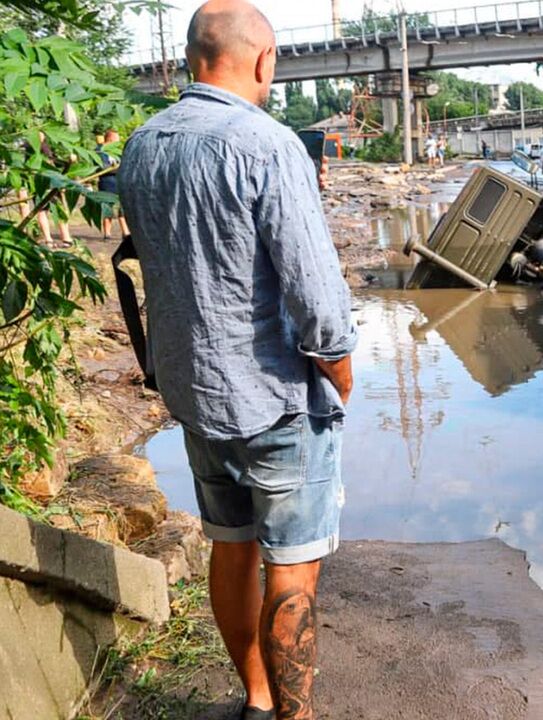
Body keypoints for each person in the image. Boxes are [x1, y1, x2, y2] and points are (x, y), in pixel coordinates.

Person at [118, 2, 356, 719]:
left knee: (232, 545)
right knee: (292, 563)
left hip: (195, 396)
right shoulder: (269, 144)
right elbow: (317, 297)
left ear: (193, 59)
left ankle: (257, 697)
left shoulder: (143, 144)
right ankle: (295, 715)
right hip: (276, 399)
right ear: (263, 60)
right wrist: (341, 373)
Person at [97, 129, 129, 239]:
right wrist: (116, 168)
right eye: (117, 140)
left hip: (119, 182)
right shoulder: (99, 151)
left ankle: (125, 232)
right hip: (106, 183)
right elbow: (101, 167)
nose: (118, 142)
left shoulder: (116, 152)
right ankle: (107, 233)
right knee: (107, 208)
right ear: (110, 139)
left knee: (122, 208)